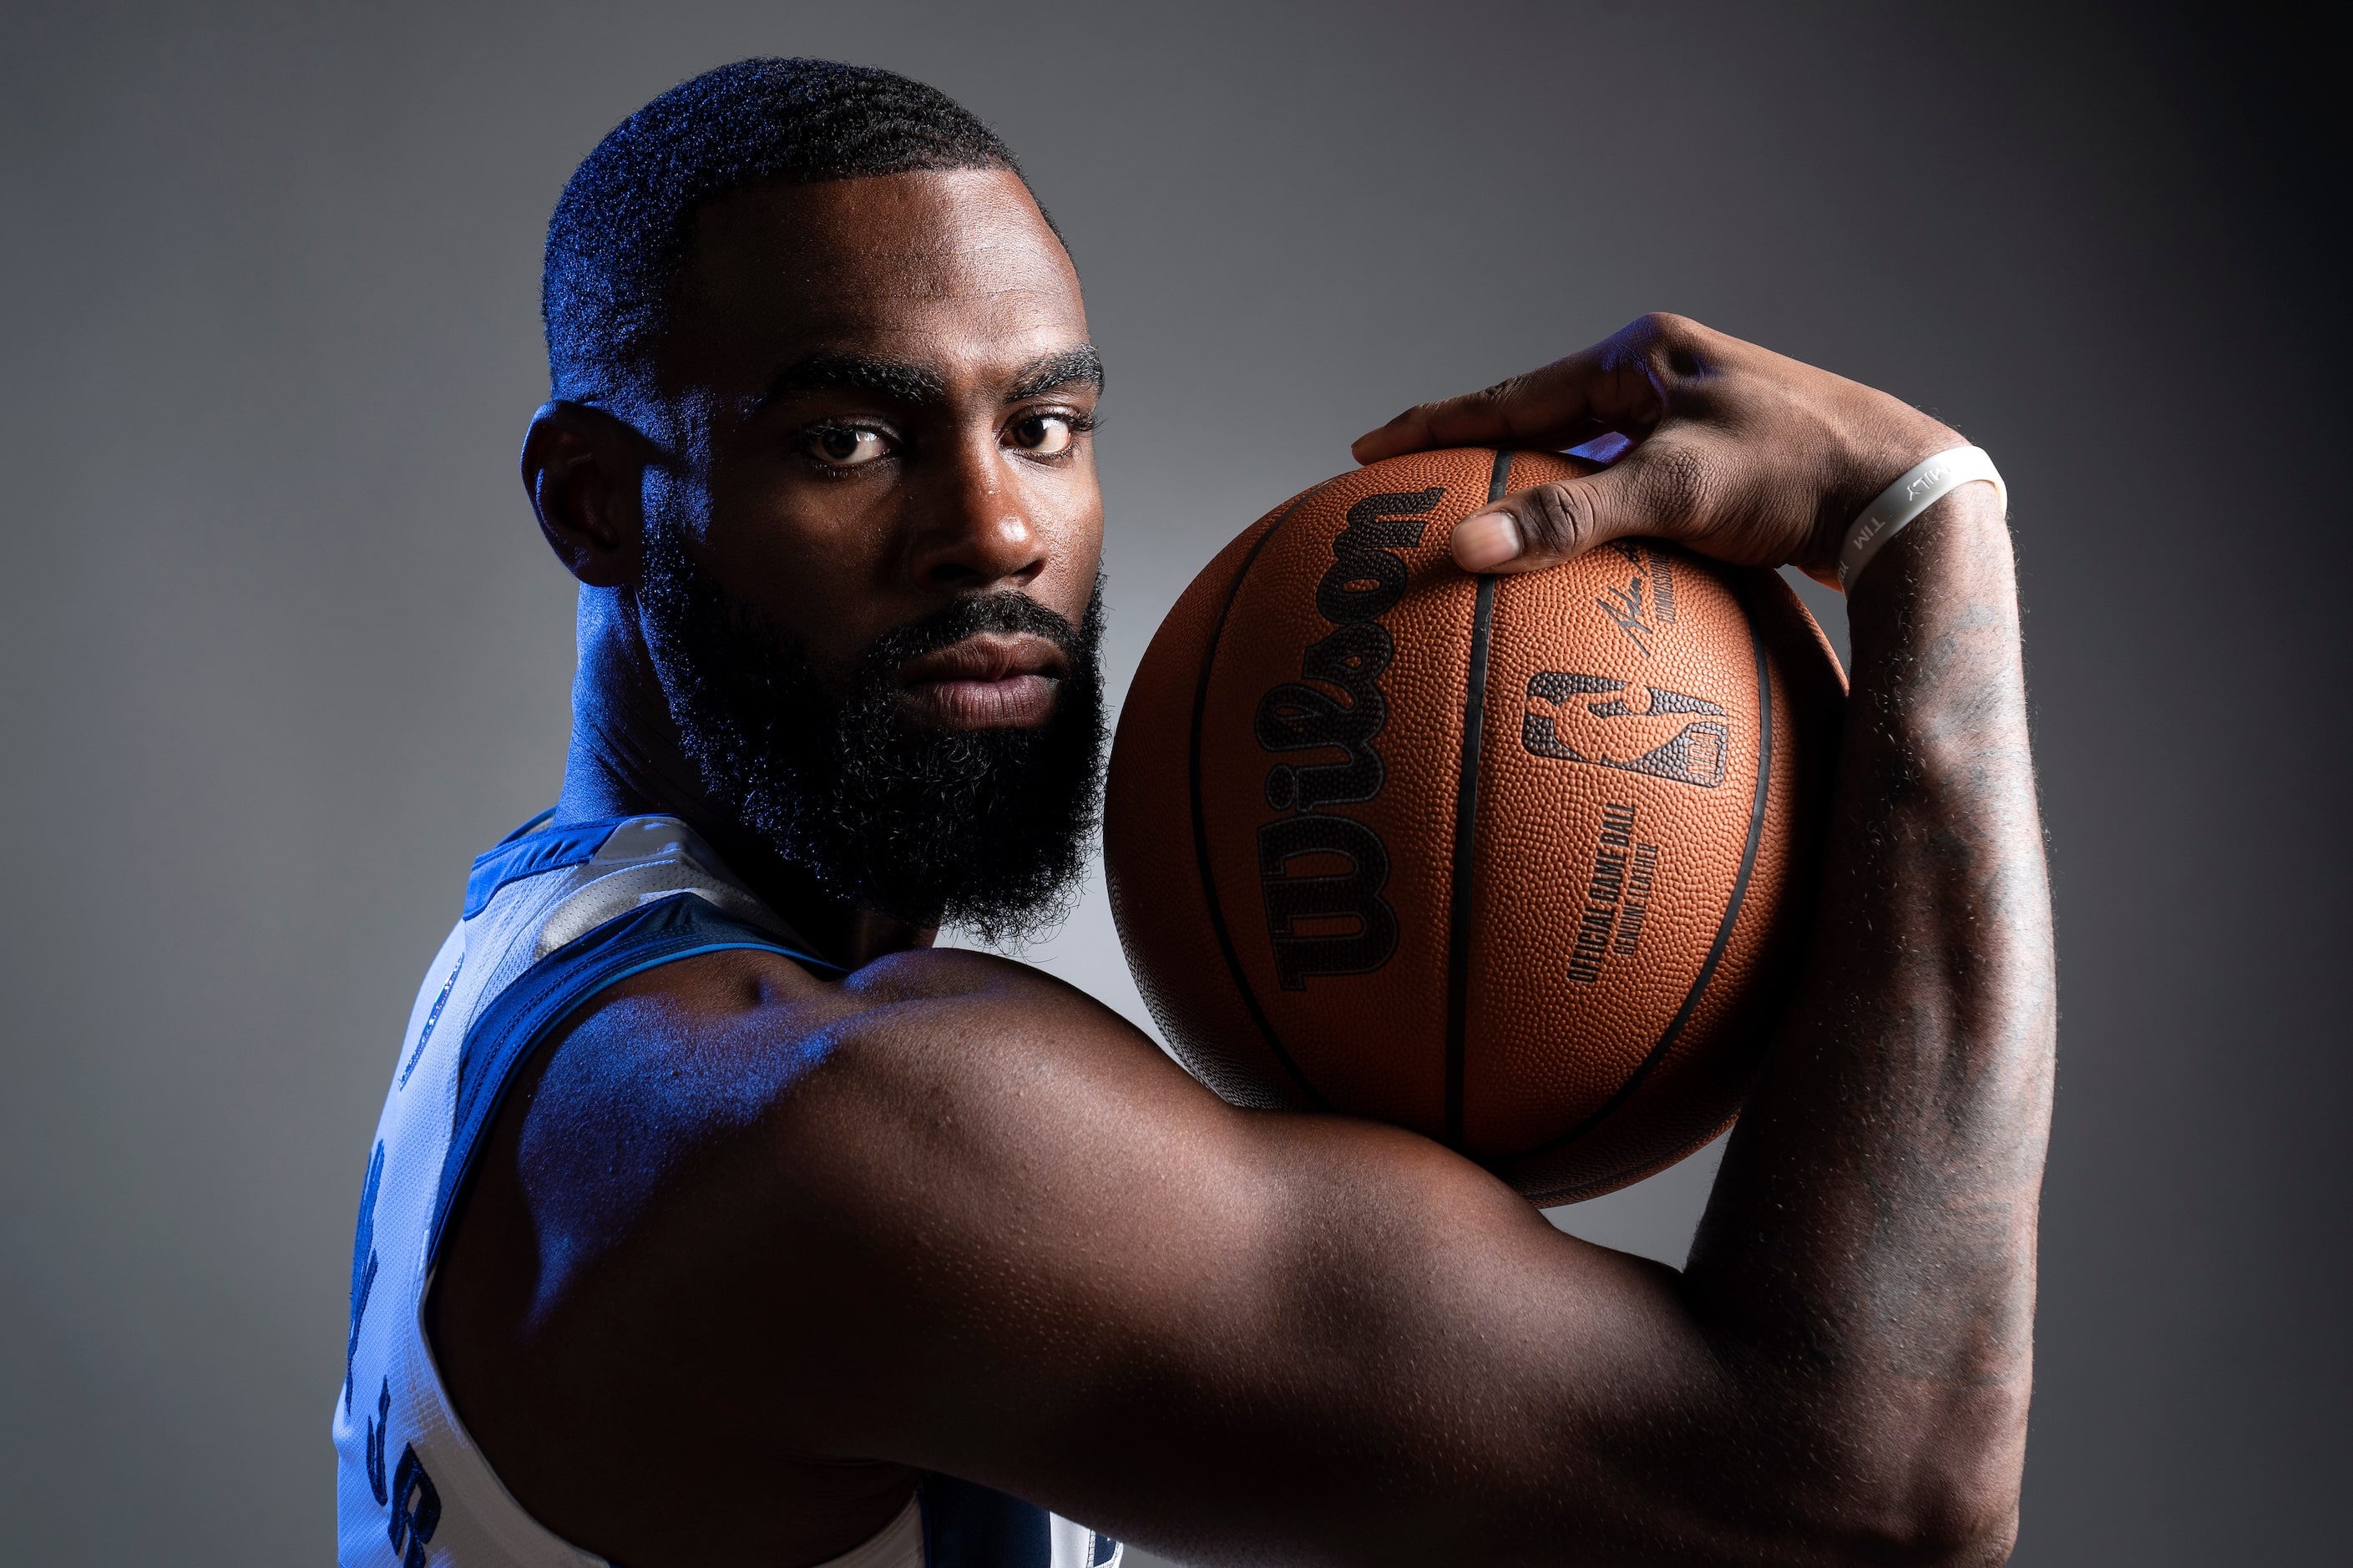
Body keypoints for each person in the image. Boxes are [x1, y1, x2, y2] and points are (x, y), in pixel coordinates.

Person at [333, 57, 2054, 1568]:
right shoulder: (824, 1129)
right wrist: (1925, 529)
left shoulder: (541, 957)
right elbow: (1867, 1494)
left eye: (1045, 422)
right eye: (849, 440)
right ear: (596, 504)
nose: (995, 530)